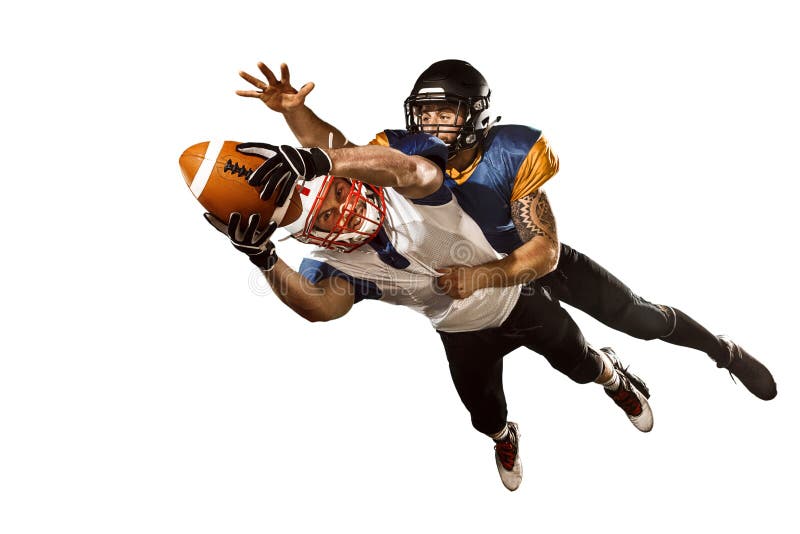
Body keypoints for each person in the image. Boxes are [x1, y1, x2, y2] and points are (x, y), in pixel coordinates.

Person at [235, 59, 777, 402]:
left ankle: (721, 351)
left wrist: (485, 273)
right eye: (424, 115)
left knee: (640, 317)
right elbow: (343, 153)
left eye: (445, 113)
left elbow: (543, 249)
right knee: (525, 376)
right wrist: (296, 116)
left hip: (523, 266)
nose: (431, 125)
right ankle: (587, 386)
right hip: (474, 289)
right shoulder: (409, 151)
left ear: (474, 114)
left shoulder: (509, 153)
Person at [204, 136, 652, 491]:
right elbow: (321, 308)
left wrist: (320, 159)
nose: (344, 209)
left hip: (518, 298)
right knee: (485, 416)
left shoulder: (399, 187)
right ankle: (504, 437)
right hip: (460, 331)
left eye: (339, 192)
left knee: (581, 364)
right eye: (325, 217)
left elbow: (409, 167)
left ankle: (614, 377)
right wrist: (264, 259)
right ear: (308, 237)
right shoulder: (333, 263)